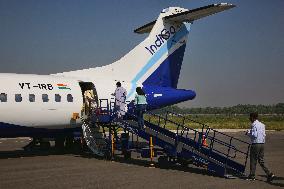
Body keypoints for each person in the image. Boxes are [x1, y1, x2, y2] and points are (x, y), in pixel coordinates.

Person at [246, 112, 275, 182]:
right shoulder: (262, 125)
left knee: (253, 160)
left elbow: (254, 135)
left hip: (256, 144)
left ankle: (252, 176)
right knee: (261, 160)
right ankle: (270, 174)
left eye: (250, 117)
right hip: (262, 144)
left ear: (252, 118)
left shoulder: (254, 125)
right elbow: (264, 134)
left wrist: (248, 133)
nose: (249, 119)